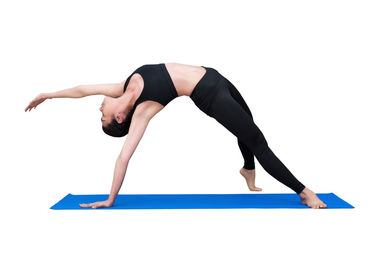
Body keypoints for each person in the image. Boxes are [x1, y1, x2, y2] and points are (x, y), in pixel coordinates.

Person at [24, 62, 327, 209]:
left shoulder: (121, 88)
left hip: (215, 75)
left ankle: (247, 169)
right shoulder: (143, 110)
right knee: (258, 141)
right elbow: (124, 156)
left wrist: (48, 95)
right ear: (120, 117)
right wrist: (110, 198)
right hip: (209, 95)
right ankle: (303, 191)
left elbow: (82, 90)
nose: (98, 107)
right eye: (102, 115)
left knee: (248, 124)